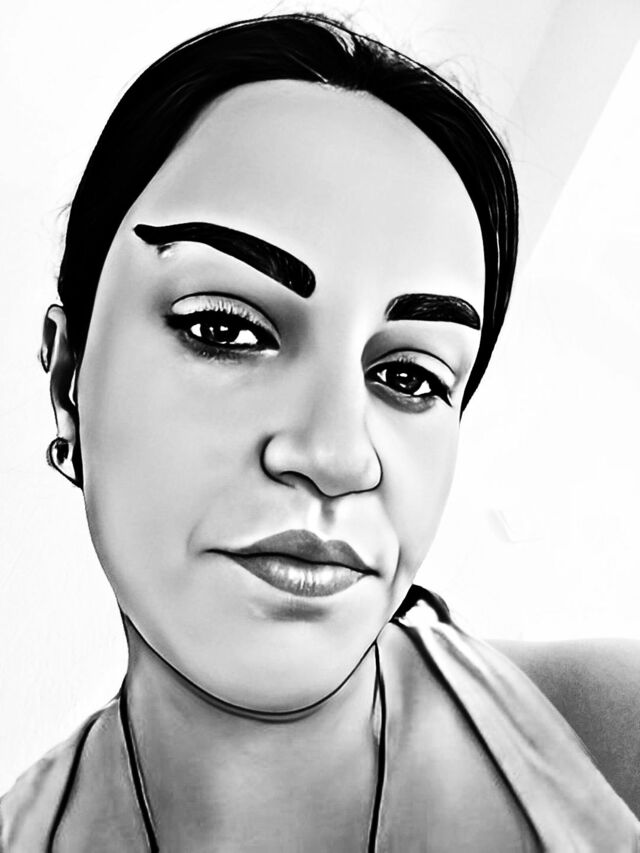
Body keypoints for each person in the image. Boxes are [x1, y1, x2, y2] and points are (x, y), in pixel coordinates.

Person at [1, 12, 639, 851]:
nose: (338, 456)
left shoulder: (605, 738)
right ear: (67, 380)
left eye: (410, 377)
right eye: (225, 328)